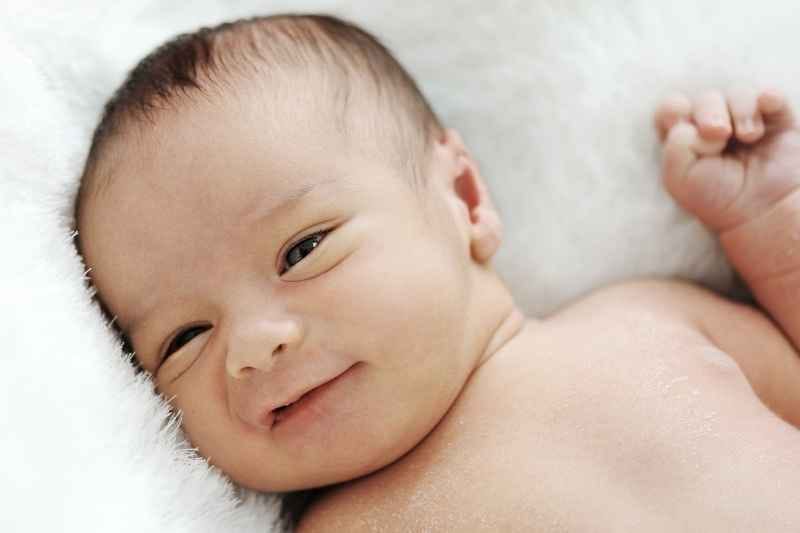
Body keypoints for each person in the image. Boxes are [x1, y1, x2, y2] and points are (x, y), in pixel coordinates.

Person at [73, 13, 800, 531]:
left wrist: (772, 220)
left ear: (464, 197)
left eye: (303, 250)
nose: (252, 346)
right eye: (184, 337)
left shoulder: (648, 318)